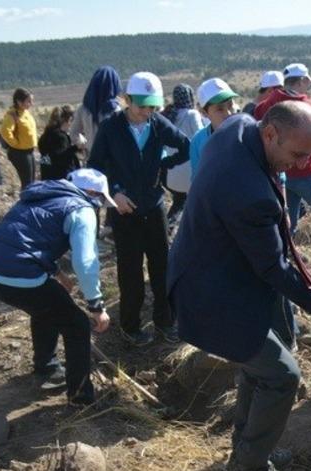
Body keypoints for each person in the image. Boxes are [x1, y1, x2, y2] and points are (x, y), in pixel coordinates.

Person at [167, 101, 311, 471]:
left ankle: (248, 451)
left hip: (223, 275)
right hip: (211, 296)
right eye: (297, 154)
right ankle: (249, 467)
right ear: (270, 134)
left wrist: (307, 128)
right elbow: (273, 267)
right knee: (282, 374)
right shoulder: (249, 193)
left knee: (259, 370)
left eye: (308, 154)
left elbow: (260, 116)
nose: (301, 164)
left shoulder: (240, 127)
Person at [0, 168, 113, 405]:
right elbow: (86, 260)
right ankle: (80, 397)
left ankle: (46, 368)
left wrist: (57, 273)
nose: (100, 205)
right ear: (91, 192)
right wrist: (96, 305)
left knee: (46, 304)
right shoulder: (82, 208)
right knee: (77, 324)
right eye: (100, 199)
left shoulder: (41, 197)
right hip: (18, 272)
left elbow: (24, 237)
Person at [87, 71, 190, 346]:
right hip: (124, 212)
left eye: (152, 106)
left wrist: (163, 166)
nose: (147, 112)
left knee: (162, 267)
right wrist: (115, 193)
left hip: (153, 206)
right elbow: (94, 167)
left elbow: (185, 146)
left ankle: (165, 321)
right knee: (130, 272)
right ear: (127, 99)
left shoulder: (158, 124)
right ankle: (130, 326)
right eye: (141, 105)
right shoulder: (111, 128)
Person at [253, 63, 311, 283]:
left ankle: (280, 263)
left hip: (280, 173)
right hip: (305, 174)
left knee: (287, 222)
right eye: (306, 82)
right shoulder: (305, 105)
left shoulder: (268, 103)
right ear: (301, 81)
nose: (308, 87)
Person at [161, 83, 203, 229]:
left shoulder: (168, 115)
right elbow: (201, 138)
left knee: (179, 201)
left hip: (171, 174)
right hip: (189, 173)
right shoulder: (192, 114)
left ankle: (168, 227)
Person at [188, 78, 240, 180]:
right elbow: (197, 181)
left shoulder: (249, 134)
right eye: (220, 109)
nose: (228, 113)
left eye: (230, 105)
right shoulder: (198, 141)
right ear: (204, 112)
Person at [70, 66, 122, 152]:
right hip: (112, 160)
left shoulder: (83, 109)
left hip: (92, 158)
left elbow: (73, 133)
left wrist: (85, 144)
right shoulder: (116, 110)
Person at [0, 88, 38, 190]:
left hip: (29, 151)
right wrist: (15, 143)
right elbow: (5, 131)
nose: (31, 104)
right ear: (19, 102)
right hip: (19, 153)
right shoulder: (12, 115)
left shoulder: (25, 113)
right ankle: (26, 203)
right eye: (28, 101)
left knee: (32, 180)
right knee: (27, 182)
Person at [39, 105, 85, 181]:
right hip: (60, 178)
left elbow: (46, 156)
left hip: (46, 175)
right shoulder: (61, 137)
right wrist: (76, 147)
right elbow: (60, 157)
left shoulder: (45, 135)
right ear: (69, 120)